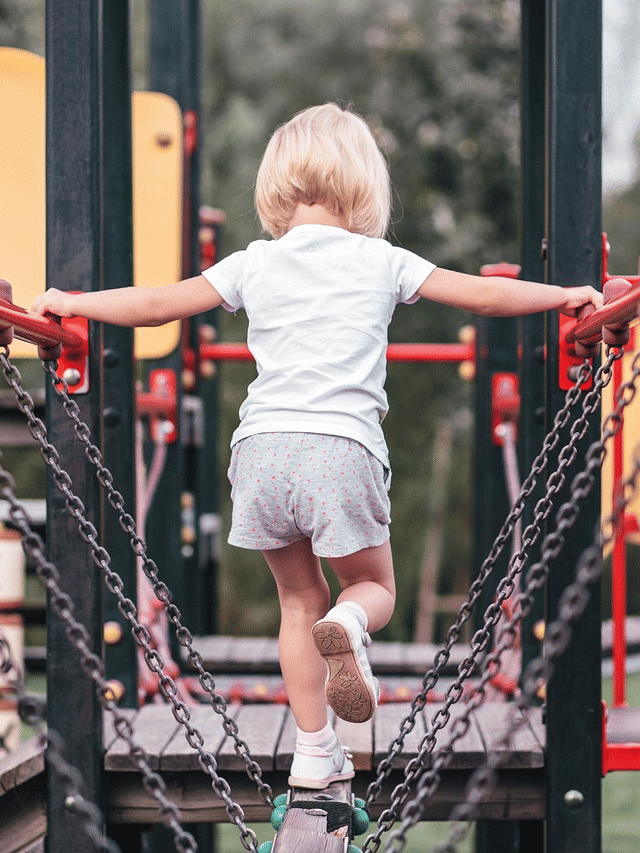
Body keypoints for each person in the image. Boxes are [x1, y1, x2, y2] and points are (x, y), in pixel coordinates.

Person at [31, 102, 603, 789]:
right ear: (364, 184)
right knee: (372, 586)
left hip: (261, 452)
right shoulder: (381, 259)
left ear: (275, 185)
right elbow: (483, 296)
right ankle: (351, 620)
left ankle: (313, 751)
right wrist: (565, 295)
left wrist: (73, 302)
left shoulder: (254, 263)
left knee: (297, 602)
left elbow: (156, 304)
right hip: (340, 448)